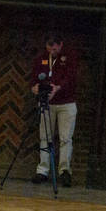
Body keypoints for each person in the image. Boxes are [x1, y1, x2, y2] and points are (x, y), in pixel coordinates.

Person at [32, 35, 78, 186]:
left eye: (55, 48)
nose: (52, 51)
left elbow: (71, 78)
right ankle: (43, 170)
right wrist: (35, 88)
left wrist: (57, 88)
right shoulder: (41, 58)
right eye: (50, 48)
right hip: (47, 103)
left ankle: (64, 171)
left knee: (65, 138)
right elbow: (34, 79)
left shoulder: (69, 57)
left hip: (66, 103)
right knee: (45, 137)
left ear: (61, 45)